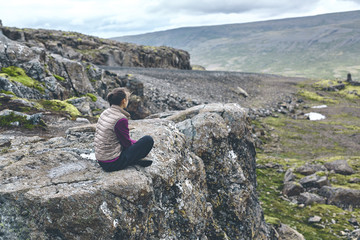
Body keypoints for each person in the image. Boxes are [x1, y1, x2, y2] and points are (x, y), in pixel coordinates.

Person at [94, 87, 154, 172]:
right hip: (112, 162)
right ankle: (135, 160)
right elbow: (127, 144)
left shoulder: (106, 112)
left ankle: (134, 159)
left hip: (101, 159)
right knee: (148, 140)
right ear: (123, 101)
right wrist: (137, 145)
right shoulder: (120, 119)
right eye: (127, 98)